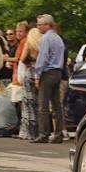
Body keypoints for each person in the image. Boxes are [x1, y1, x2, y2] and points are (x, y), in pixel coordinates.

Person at [32, 14, 66, 144]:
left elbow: (43, 58)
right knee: (57, 105)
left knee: (43, 105)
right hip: (57, 72)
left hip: (47, 72)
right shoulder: (58, 38)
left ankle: (43, 133)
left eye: (40, 24)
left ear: (47, 25)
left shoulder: (46, 38)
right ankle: (58, 134)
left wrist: (37, 75)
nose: (38, 27)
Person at [17, 28, 41, 140]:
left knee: (27, 103)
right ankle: (38, 131)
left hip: (30, 71)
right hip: (39, 73)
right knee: (37, 103)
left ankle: (27, 132)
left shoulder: (29, 44)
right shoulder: (42, 44)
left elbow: (22, 59)